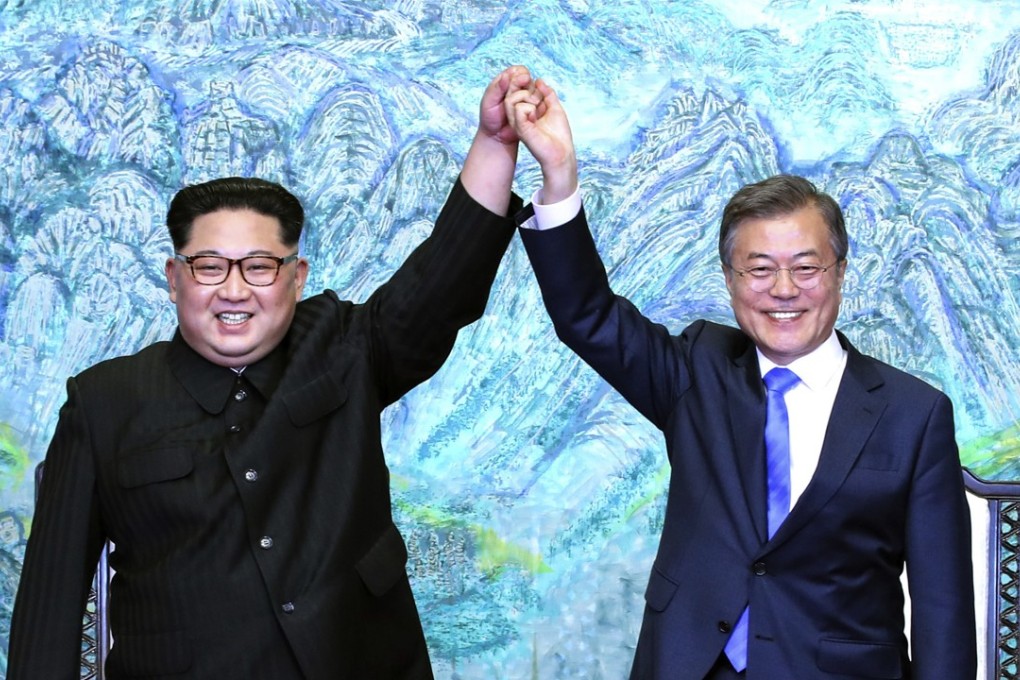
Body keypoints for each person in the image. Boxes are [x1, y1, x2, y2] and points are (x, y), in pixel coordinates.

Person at [7, 66, 531, 680]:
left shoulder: (343, 346)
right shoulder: (104, 402)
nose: (234, 290)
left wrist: (495, 143)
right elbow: (49, 613)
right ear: (175, 280)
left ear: (296, 277)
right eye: (209, 267)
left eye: (259, 266)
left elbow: (441, 284)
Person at [504, 74, 977, 679]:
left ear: (839, 272)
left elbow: (942, 611)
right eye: (759, 269)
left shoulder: (915, 414)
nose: (784, 290)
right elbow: (587, 315)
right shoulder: (696, 371)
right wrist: (560, 175)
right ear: (729, 279)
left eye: (806, 267)